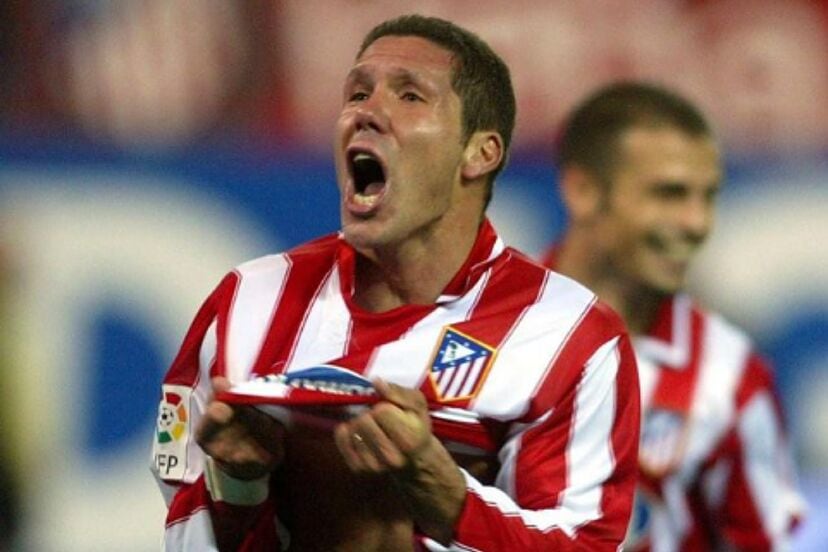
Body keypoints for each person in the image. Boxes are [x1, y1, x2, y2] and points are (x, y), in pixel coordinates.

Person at [151, 14, 640, 552]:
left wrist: (448, 498)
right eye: (358, 93)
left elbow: (583, 544)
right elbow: (181, 531)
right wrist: (238, 486)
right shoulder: (244, 305)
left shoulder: (570, 337)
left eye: (410, 96)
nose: (367, 112)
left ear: (480, 152)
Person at [541, 81, 806, 551]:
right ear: (583, 191)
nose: (697, 223)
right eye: (670, 194)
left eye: (708, 197)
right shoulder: (475, 328)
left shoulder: (731, 376)